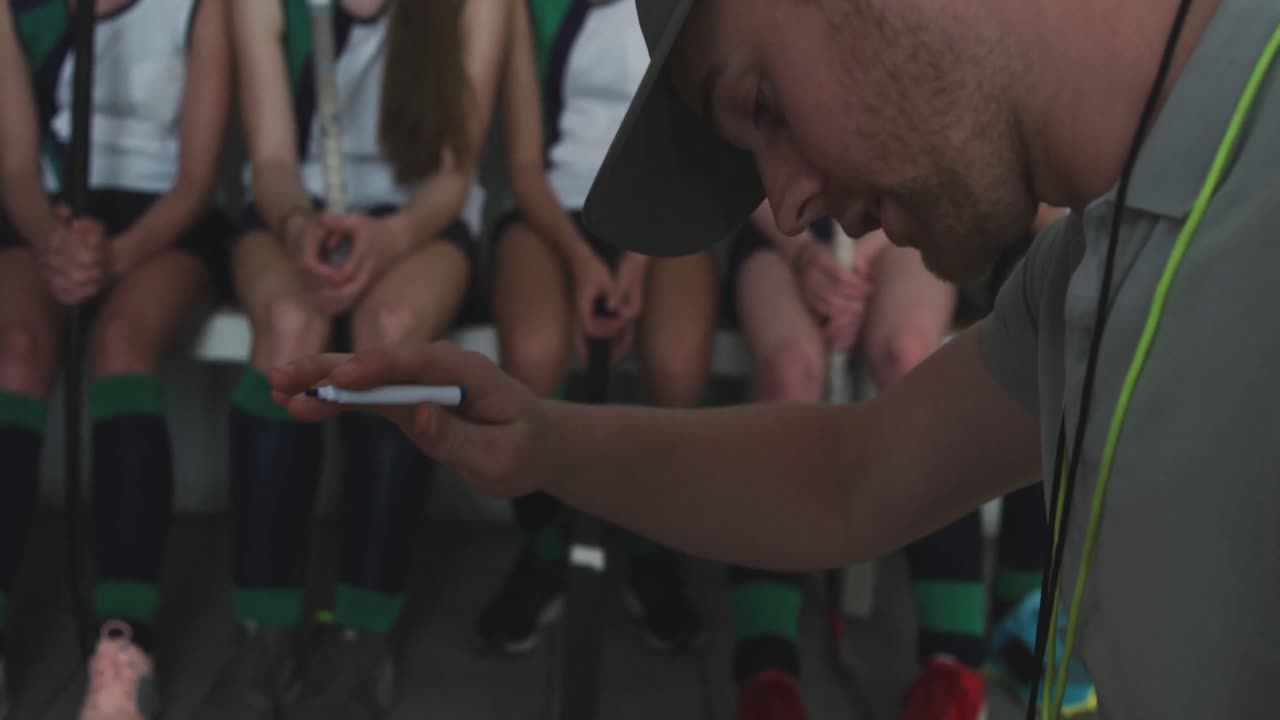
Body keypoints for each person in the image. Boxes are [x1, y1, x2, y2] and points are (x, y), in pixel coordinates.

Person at [270, 0, 1280, 717]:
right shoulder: (1087, 269)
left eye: (760, 106)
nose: (787, 202)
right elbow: (851, 474)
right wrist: (542, 442)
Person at [193, 1, 506, 718]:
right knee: (287, 328)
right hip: (291, 213)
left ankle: (362, 641)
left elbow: (453, 178)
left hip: (419, 221)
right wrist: (302, 226)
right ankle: (263, 636)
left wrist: (388, 240)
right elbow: (271, 161)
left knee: (389, 332)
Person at [0, 0, 232, 716]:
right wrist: (58, 247)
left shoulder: (202, 7)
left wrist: (115, 258)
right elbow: (14, 167)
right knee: (15, 353)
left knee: (120, 348)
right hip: (46, 215)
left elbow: (197, 179)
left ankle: (124, 642)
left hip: (160, 222)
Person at [477, 0, 714, 655]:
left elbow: (697, 146)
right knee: (531, 356)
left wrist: (634, 262)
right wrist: (585, 265)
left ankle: (652, 549)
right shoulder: (535, 10)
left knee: (676, 366)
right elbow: (524, 166)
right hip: (557, 214)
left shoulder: (688, 9)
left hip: (663, 215)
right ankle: (543, 548)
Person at [725, 206, 993, 720]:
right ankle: (765, 667)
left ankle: (954, 660)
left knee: (908, 356)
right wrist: (806, 255)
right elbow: (732, 158)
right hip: (779, 230)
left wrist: (854, 268)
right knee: (788, 374)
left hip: (901, 225)